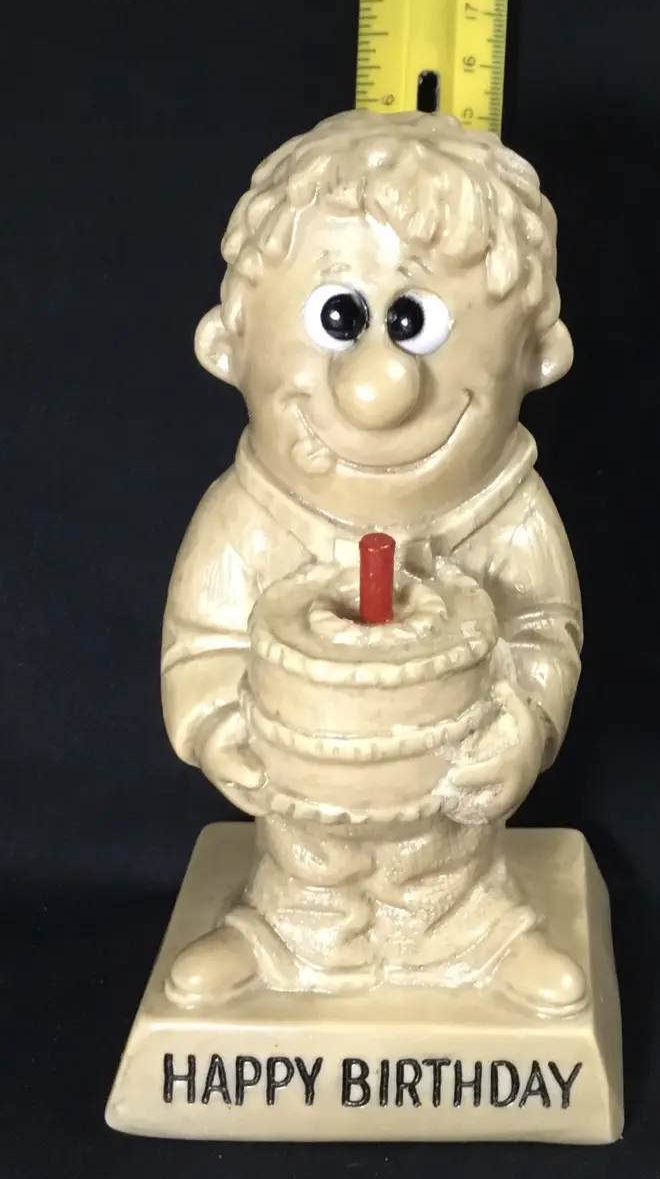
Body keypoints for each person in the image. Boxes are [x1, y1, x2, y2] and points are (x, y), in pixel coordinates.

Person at [161, 110, 586, 1015]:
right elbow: (201, 644)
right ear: (229, 347)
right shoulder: (247, 518)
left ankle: (476, 940)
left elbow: (546, 632)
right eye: (340, 318)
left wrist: (522, 728)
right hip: (301, 813)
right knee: (306, 865)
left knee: (452, 865)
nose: (377, 388)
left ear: (535, 357)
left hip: (451, 814)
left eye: (413, 322)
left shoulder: (509, 515)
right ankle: (282, 937)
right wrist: (220, 726)